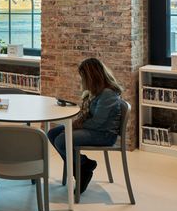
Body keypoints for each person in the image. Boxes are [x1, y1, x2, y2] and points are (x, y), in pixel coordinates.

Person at [48, 57, 123, 195]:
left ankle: (83, 167)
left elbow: (98, 122)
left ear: (92, 77)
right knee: (52, 134)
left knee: (61, 140)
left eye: (83, 77)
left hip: (104, 134)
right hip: (95, 129)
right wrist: (79, 122)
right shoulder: (98, 91)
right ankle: (82, 168)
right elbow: (93, 116)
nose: (82, 81)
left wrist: (77, 125)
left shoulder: (107, 94)